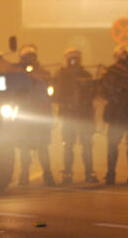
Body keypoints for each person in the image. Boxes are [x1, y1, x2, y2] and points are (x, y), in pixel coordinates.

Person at [98, 46, 128, 184]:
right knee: (115, 145)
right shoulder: (110, 72)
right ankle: (111, 175)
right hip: (117, 115)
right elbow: (102, 92)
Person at [52, 48, 97, 184]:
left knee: (77, 146)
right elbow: (56, 95)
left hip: (78, 116)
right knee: (74, 146)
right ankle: (76, 173)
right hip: (74, 116)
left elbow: (93, 94)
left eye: (75, 58)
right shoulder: (62, 75)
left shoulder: (65, 75)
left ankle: (76, 173)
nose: (73, 61)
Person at [15, 44, 55, 187]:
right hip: (25, 117)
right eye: (27, 57)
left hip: (39, 117)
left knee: (42, 148)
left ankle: (48, 176)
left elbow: (49, 93)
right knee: (25, 149)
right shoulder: (16, 73)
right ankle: (24, 175)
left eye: (32, 57)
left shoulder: (43, 74)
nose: (30, 60)